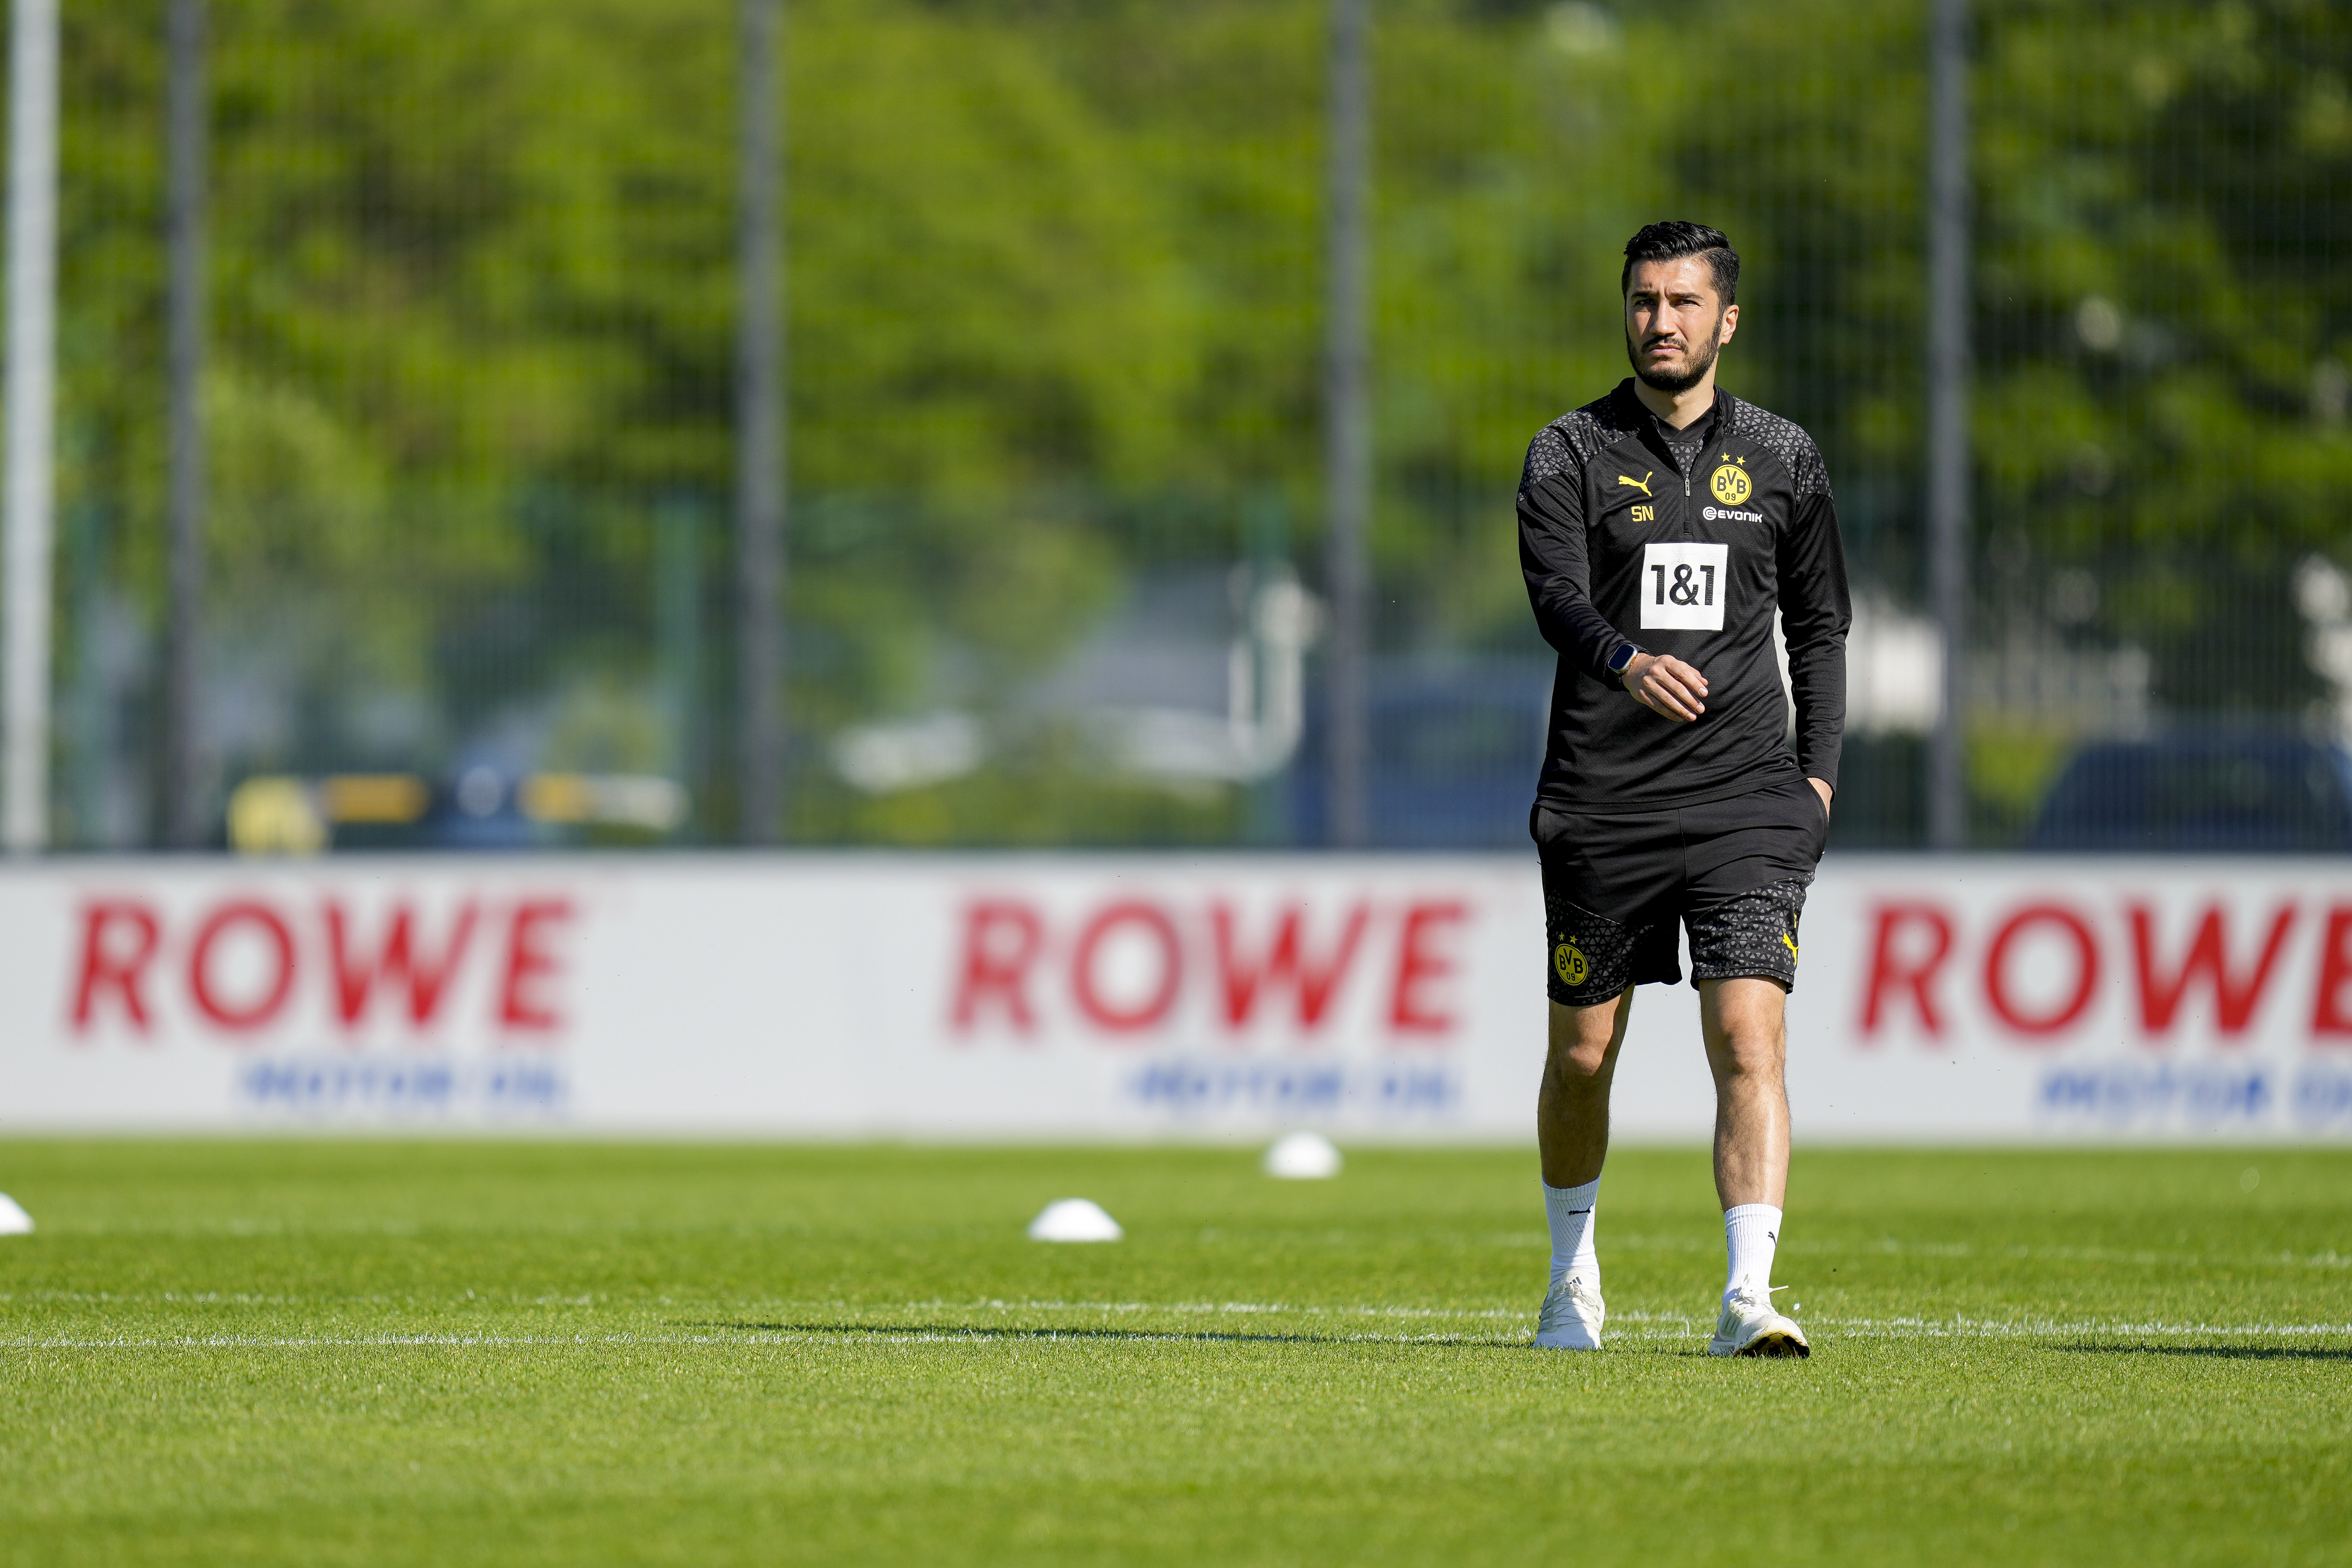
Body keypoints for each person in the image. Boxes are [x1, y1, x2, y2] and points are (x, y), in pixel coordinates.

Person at [1515, 220, 1849, 1357]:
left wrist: (1817, 781)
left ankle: (1747, 1295)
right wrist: (1621, 660)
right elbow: (1556, 598)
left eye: (1684, 302)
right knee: (1582, 1055)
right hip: (1604, 800)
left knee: (1750, 1040)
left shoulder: (1786, 457)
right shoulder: (1569, 450)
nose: (1662, 321)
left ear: (1726, 320)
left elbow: (1821, 626)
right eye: (1645, 301)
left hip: (1749, 800)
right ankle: (1572, 1282)